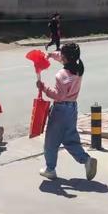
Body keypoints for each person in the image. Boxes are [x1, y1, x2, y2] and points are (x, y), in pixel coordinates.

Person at [36, 43, 98, 181]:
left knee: (51, 140)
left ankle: (50, 169)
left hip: (60, 110)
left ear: (64, 57)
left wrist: (43, 87)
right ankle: (86, 160)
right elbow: (63, 58)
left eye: (60, 54)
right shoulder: (78, 68)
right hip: (72, 108)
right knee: (69, 139)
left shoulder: (61, 75)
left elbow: (59, 95)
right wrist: (51, 55)